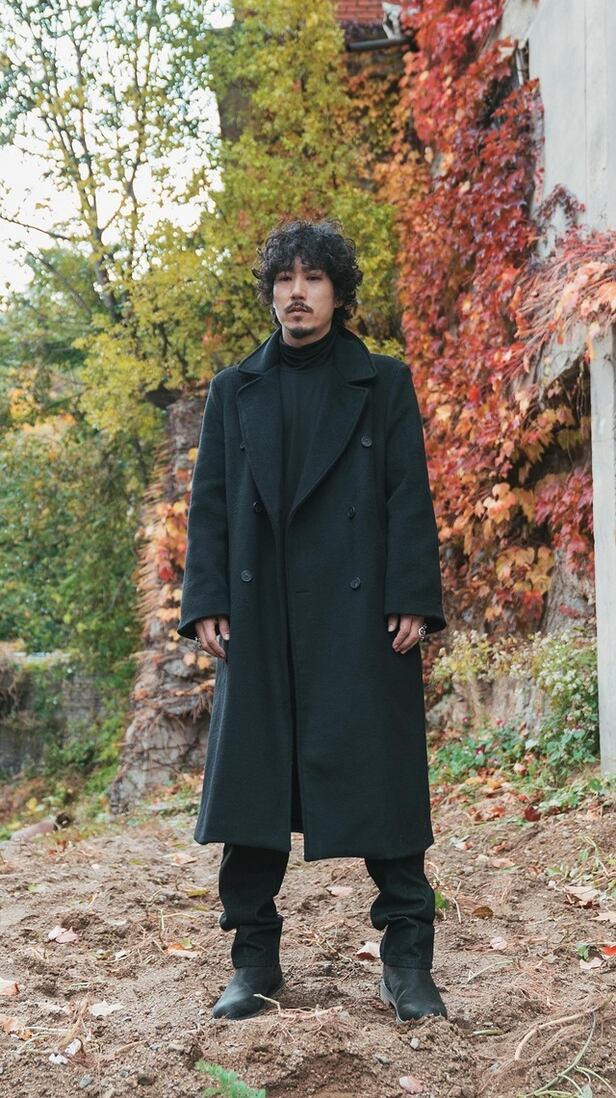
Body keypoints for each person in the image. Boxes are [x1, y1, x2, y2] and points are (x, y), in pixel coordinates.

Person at [177, 218, 448, 1023]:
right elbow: (210, 503)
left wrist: (411, 593)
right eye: (285, 279)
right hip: (259, 616)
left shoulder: (383, 382)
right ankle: (254, 960)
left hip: (358, 617)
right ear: (271, 293)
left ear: (337, 292)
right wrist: (207, 600)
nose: (297, 293)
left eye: (314, 278)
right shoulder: (233, 389)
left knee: (385, 788)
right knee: (252, 791)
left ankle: (407, 962)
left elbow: (408, 494)